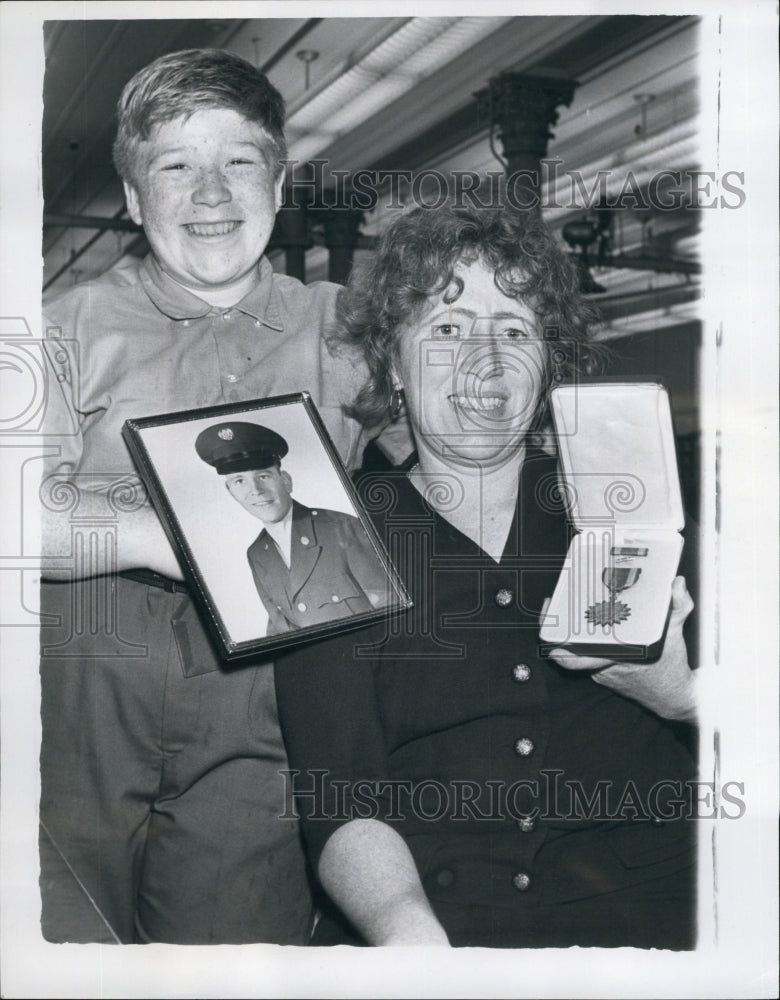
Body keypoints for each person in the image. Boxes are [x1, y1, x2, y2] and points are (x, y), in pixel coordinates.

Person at [38, 48, 409, 945]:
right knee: (58, 940)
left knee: (236, 951)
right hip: (83, 683)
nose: (211, 192)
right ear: (132, 200)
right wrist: (173, 532)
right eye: (176, 166)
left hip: (268, 696)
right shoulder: (59, 328)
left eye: (239, 161)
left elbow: (441, 475)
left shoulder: (351, 330)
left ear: (278, 184)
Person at [274, 204, 699, 949]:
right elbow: (342, 801)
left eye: (513, 330)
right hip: (438, 927)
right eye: (446, 329)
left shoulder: (642, 507)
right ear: (393, 368)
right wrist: (411, 937)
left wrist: (685, 698)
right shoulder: (328, 538)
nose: (484, 358)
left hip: (651, 926)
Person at [195, 421, 389, 635]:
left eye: (263, 476)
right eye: (239, 481)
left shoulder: (340, 526)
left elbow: (391, 608)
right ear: (231, 491)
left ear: (285, 481)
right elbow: (280, 628)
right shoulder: (257, 554)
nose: (256, 491)